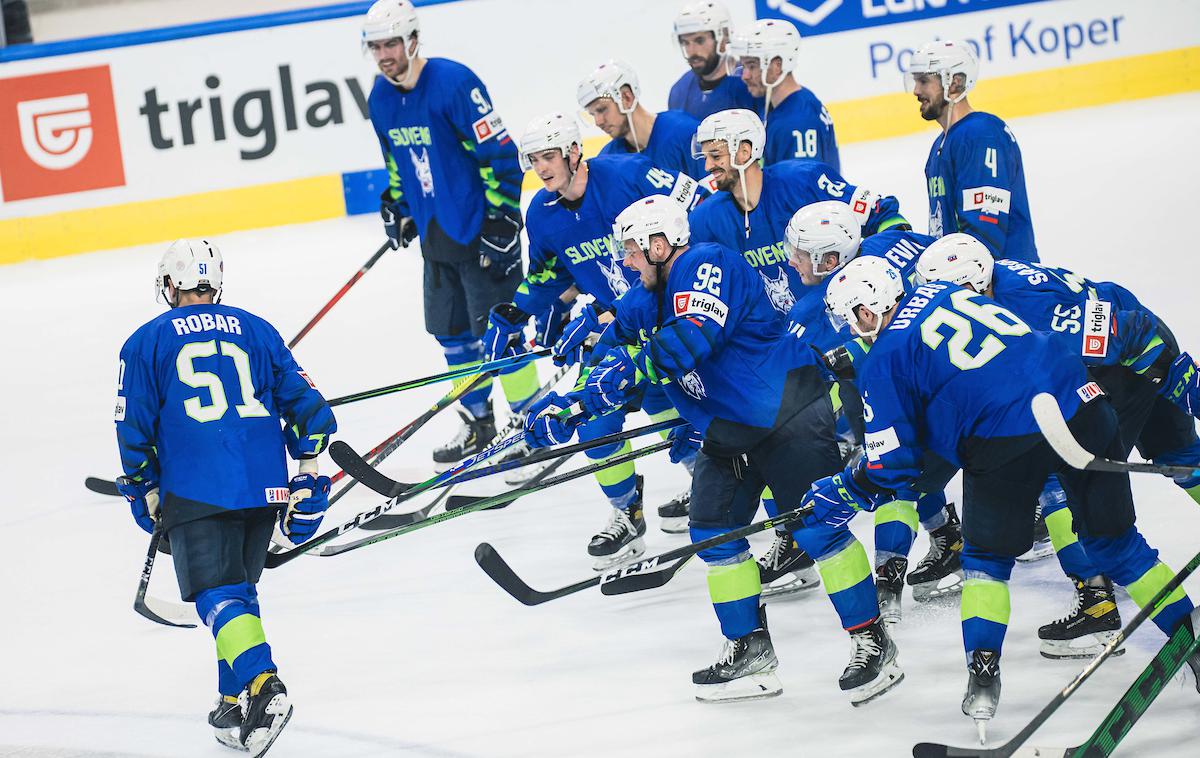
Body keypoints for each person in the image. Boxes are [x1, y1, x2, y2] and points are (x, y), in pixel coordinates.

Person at [528, 197, 902, 705]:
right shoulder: (647, 293)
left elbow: (691, 340)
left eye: (634, 251)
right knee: (712, 530)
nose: (626, 262)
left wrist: (625, 373)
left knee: (817, 528)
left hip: (786, 408)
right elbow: (617, 342)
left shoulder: (708, 263)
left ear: (661, 245)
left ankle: (872, 641)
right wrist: (569, 402)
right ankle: (751, 651)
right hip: (728, 428)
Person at [812, 256, 1197, 738]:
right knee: (1118, 546)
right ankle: (1193, 641)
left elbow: (895, 467)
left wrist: (846, 488)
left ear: (867, 311)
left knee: (985, 563)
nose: (850, 330)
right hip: (1083, 401)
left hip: (1002, 439)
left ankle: (983, 680)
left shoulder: (884, 360)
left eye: (850, 317)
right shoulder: (951, 291)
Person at [915, 233, 1200, 657]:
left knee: (1062, 472)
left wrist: (1185, 388)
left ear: (972, 287)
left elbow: (1131, 336)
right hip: (1127, 346)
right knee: (1180, 458)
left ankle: (1097, 601)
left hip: (1127, 359)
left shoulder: (1033, 307)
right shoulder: (991, 291)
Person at [114, 239, 337, 756]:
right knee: (238, 591)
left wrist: (139, 486)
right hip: (265, 485)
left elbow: (132, 425)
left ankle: (264, 686)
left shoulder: (145, 342)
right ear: (214, 284)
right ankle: (233, 698)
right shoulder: (257, 329)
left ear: (170, 286)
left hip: (196, 485)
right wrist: (308, 474)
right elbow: (311, 410)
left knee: (215, 595)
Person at [482, 112, 703, 564]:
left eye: (549, 156)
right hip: (618, 330)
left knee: (675, 404)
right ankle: (627, 512)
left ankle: (710, 486)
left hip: (673, 318)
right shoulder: (540, 214)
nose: (541, 168)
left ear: (573, 152)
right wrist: (522, 307)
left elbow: (694, 213)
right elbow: (551, 271)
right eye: (533, 159)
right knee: (592, 415)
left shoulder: (628, 173)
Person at [363, 0, 540, 467]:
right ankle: (479, 421)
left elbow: (501, 153)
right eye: (375, 46)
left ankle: (530, 425)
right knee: (453, 336)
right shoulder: (380, 99)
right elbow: (397, 164)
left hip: (483, 233)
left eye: (391, 44)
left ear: (412, 40)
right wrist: (398, 205)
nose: (384, 55)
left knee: (503, 335)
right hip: (436, 237)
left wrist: (504, 218)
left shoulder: (454, 83)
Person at [780, 201, 962, 620]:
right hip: (941, 372)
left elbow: (793, 385)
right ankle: (946, 534)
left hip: (896, 387)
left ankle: (889, 579)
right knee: (903, 465)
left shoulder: (811, 312)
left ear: (830, 259)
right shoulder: (895, 242)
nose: (791, 262)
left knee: (891, 469)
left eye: (801, 254)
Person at [905, 39, 1037, 262]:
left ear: (955, 82)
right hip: (964, 280)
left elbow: (985, 232)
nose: (916, 90)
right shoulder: (941, 145)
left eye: (924, 81)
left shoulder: (981, 134)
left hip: (998, 286)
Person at [732, 18, 838, 169]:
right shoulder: (798, 100)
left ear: (777, 66)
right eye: (744, 66)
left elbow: (801, 186)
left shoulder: (797, 122)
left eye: (752, 66)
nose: (745, 75)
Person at [580, 59, 708, 180]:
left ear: (627, 98)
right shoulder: (608, 158)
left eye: (602, 110)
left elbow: (716, 196)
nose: (598, 122)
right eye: (592, 114)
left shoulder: (685, 133)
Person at [668, 0, 761, 121]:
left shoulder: (750, 83)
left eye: (699, 41)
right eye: (685, 42)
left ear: (723, 37)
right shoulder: (679, 91)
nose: (692, 51)